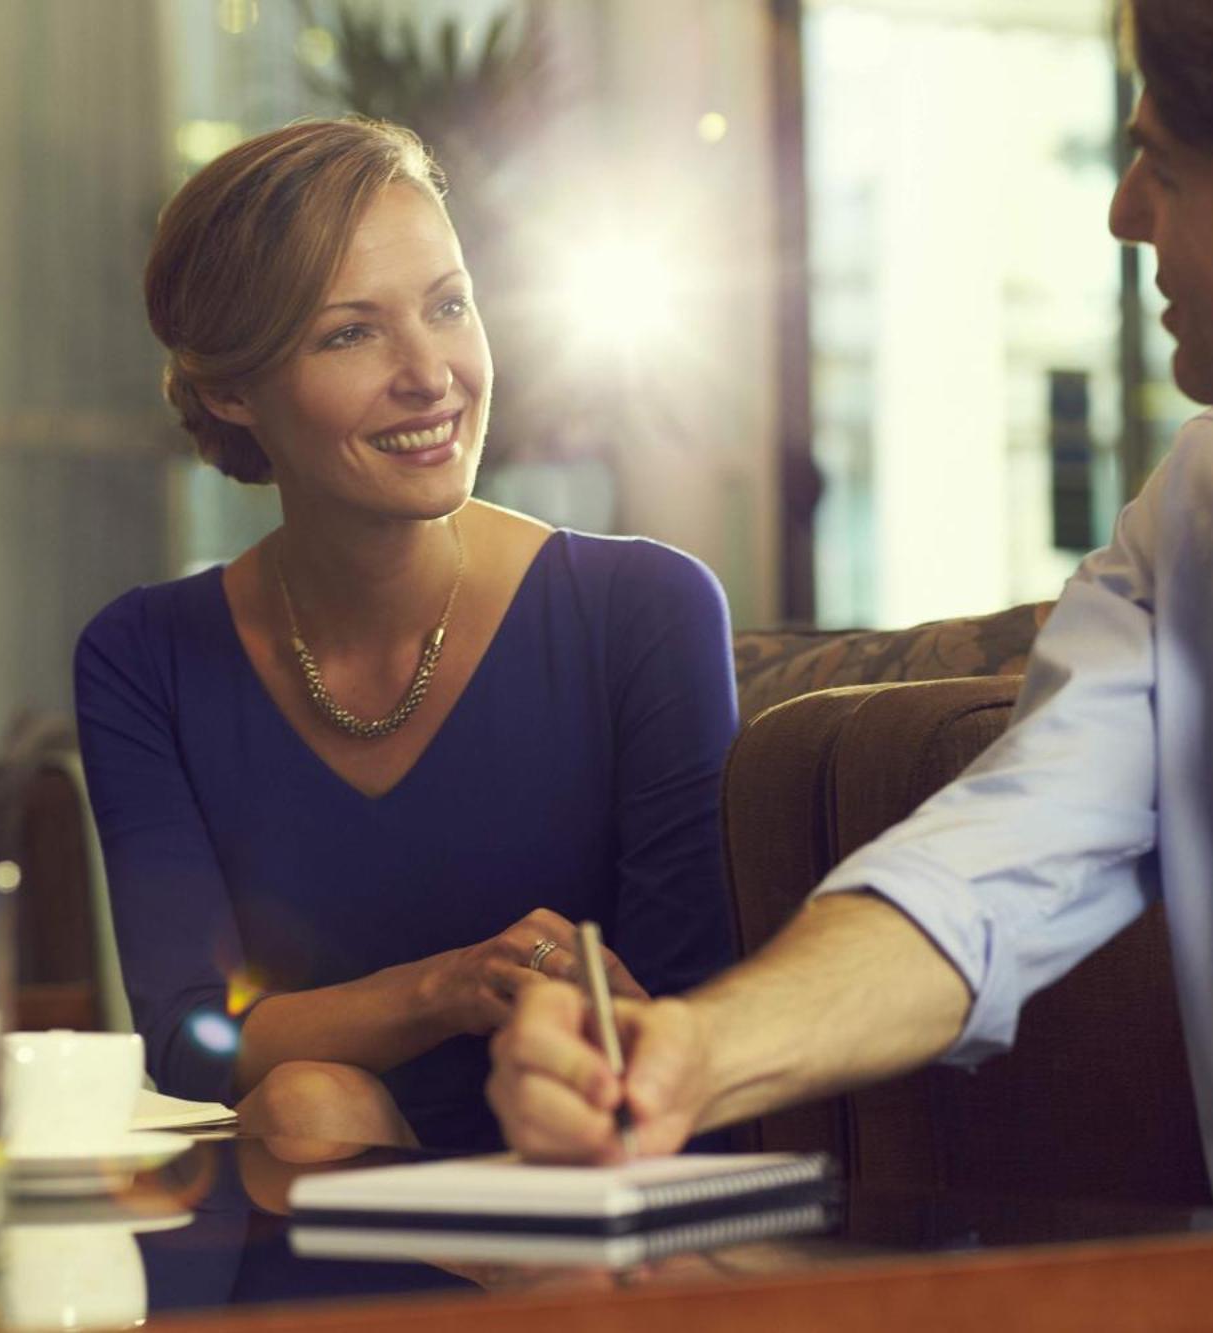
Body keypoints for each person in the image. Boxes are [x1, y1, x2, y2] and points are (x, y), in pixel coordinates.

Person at [488, 0, 1213, 1317]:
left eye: (1166, 164)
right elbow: (995, 870)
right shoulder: (1207, 507)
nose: (1124, 212)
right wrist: (695, 1051)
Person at [74, 119, 738, 1151]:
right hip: (314, 1205)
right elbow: (193, 1039)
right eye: (349, 332)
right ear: (229, 390)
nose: (430, 374)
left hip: (597, 1184)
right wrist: (443, 989)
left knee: (303, 1101)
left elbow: (680, 1019)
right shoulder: (144, 657)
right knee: (305, 1107)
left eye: (447, 306)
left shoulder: (641, 610)